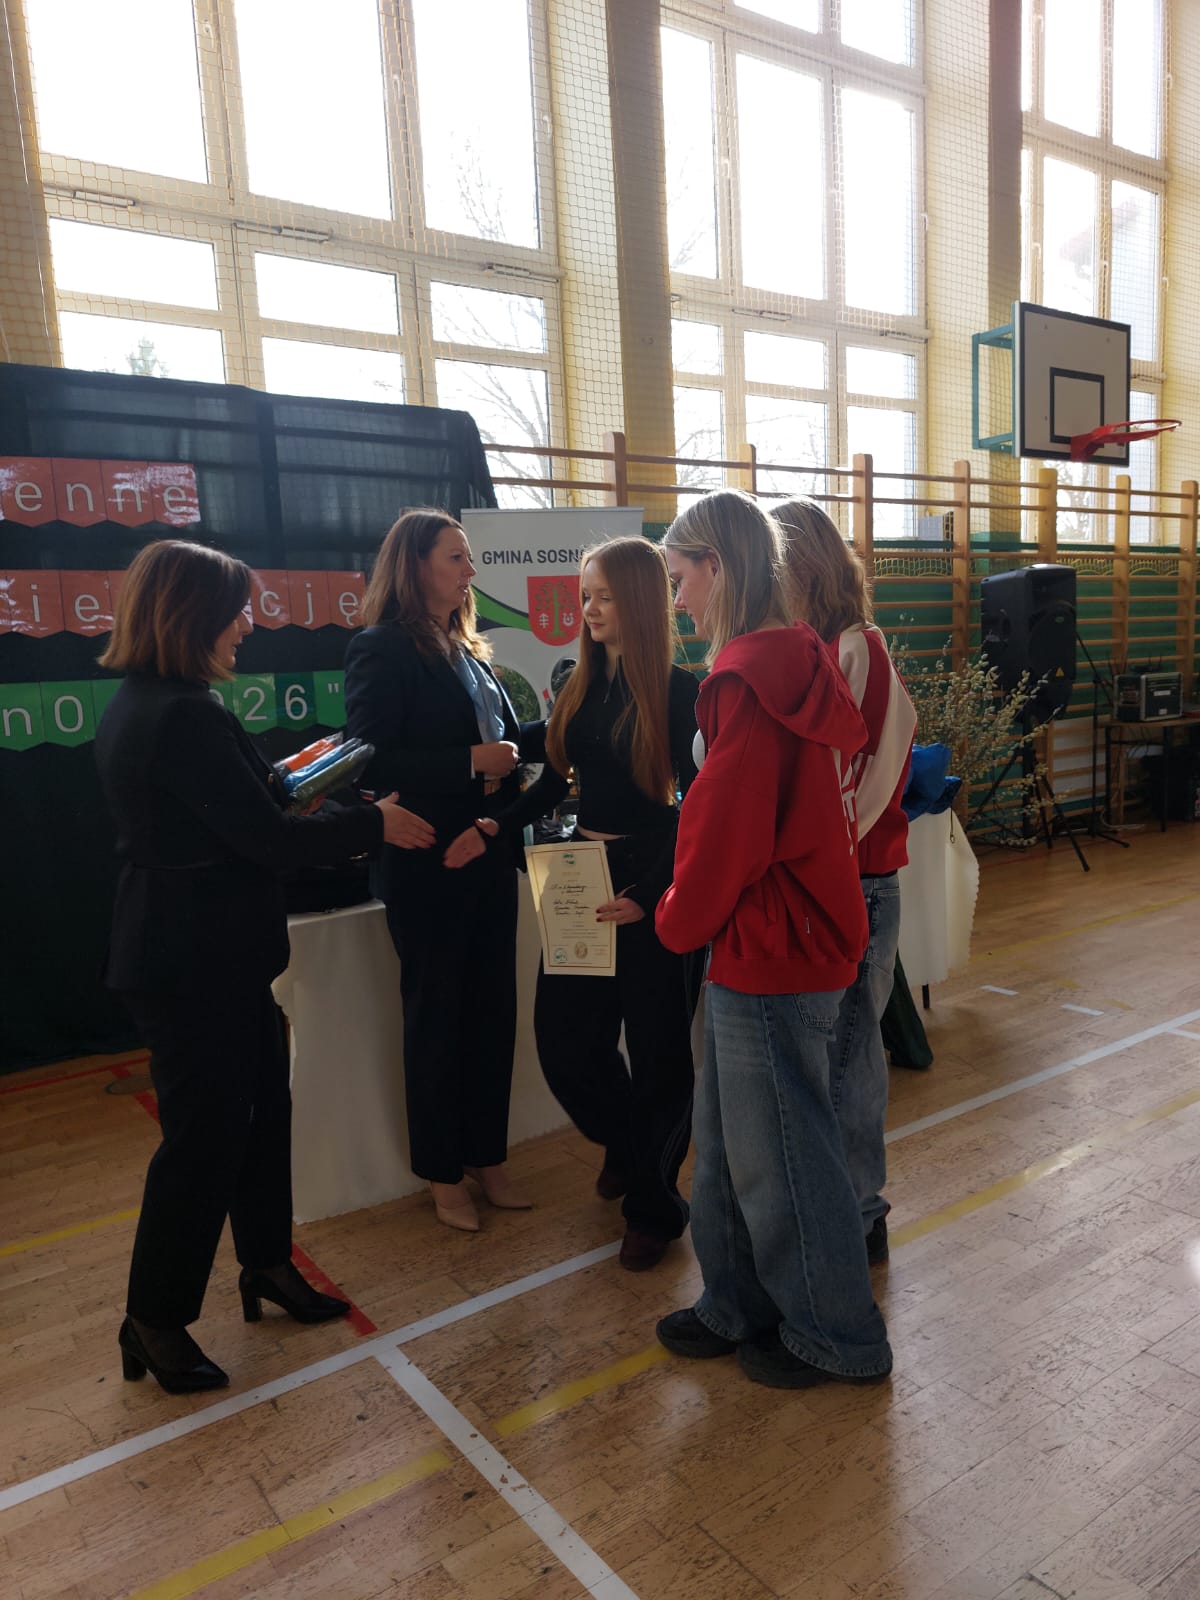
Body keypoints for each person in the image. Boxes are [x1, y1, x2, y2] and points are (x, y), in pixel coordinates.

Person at [95, 539, 432, 1396]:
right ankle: (153, 1319)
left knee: (261, 1118)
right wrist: (374, 823)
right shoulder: (183, 715)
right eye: (236, 611)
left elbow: (244, 804)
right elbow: (267, 839)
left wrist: (308, 771)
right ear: (192, 615)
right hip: (189, 962)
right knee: (202, 1142)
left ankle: (268, 1264)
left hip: (213, 956)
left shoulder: (163, 701)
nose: (247, 625)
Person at [653, 489, 893, 1390]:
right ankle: (737, 1301)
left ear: (718, 567)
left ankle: (838, 1334)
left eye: (680, 577)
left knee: (785, 1157)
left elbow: (727, 830)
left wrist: (676, 917)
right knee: (725, 1145)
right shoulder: (788, 661)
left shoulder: (748, 679)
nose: (677, 599)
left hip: (774, 948)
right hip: (771, 940)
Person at [445, 537, 700, 1271]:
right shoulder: (579, 686)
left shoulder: (683, 692)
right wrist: (495, 826)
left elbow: (700, 808)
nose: (588, 609)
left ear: (641, 602)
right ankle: (629, 1146)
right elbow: (554, 782)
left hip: (651, 880)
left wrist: (649, 892)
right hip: (577, 875)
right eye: (586, 595)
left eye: (604, 597)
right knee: (565, 1044)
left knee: (657, 1055)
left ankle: (653, 1210)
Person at [344, 508, 544, 1233]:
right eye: (455, 558)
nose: (470, 570)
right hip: (427, 861)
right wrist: (467, 763)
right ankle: (442, 1172)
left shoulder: (471, 652)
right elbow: (368, 760)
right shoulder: (381, 649)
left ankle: (487, 1156)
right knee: (437, 1019)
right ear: (415, 566)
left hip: (487, 853)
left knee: (492, 1014)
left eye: (469, 557)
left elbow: (505, 746)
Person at [774, 497, 916, 1267]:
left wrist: (819, 852)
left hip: (855, 880)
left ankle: (861, 1213)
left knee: (852, 1055)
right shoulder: (806, 645)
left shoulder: (857, 645)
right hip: (821, 879)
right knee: (820, 1056)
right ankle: (832, 1207)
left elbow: (876, 767)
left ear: (802, 562)